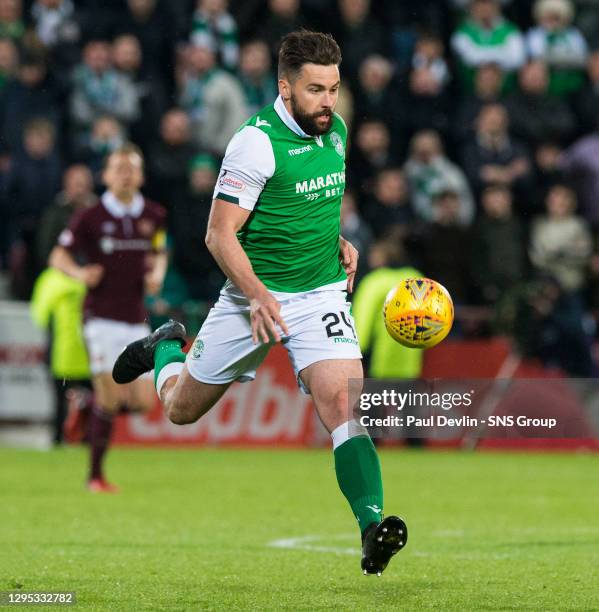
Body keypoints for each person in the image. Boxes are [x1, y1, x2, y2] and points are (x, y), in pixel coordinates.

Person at [113, 30, 407, 576]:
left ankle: (371, 528)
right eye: (316, 89)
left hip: (318, 293)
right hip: (250, 298)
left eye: (334, 88)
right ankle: (165, 347)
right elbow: (220, 235)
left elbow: (312, 202)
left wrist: (336, 240)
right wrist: (257, 295)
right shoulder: (255, 142)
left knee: (343, 405)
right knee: (180, 409)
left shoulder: (336, 132)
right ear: (285, 87)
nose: (328, 102)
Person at [49, 144, 167, 492]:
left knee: (144, 403)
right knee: (112, 398)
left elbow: (159, 250)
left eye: (132, 167)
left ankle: (85, 404)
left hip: (134, 318)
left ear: (141, 175)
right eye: (118, 168)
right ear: (106, 175)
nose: (126, 174)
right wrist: (80, 273)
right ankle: (95, 477)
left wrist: (157, 273)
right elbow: (58, 256)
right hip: (99, 318)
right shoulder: (91, 217)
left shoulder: (154, 214)